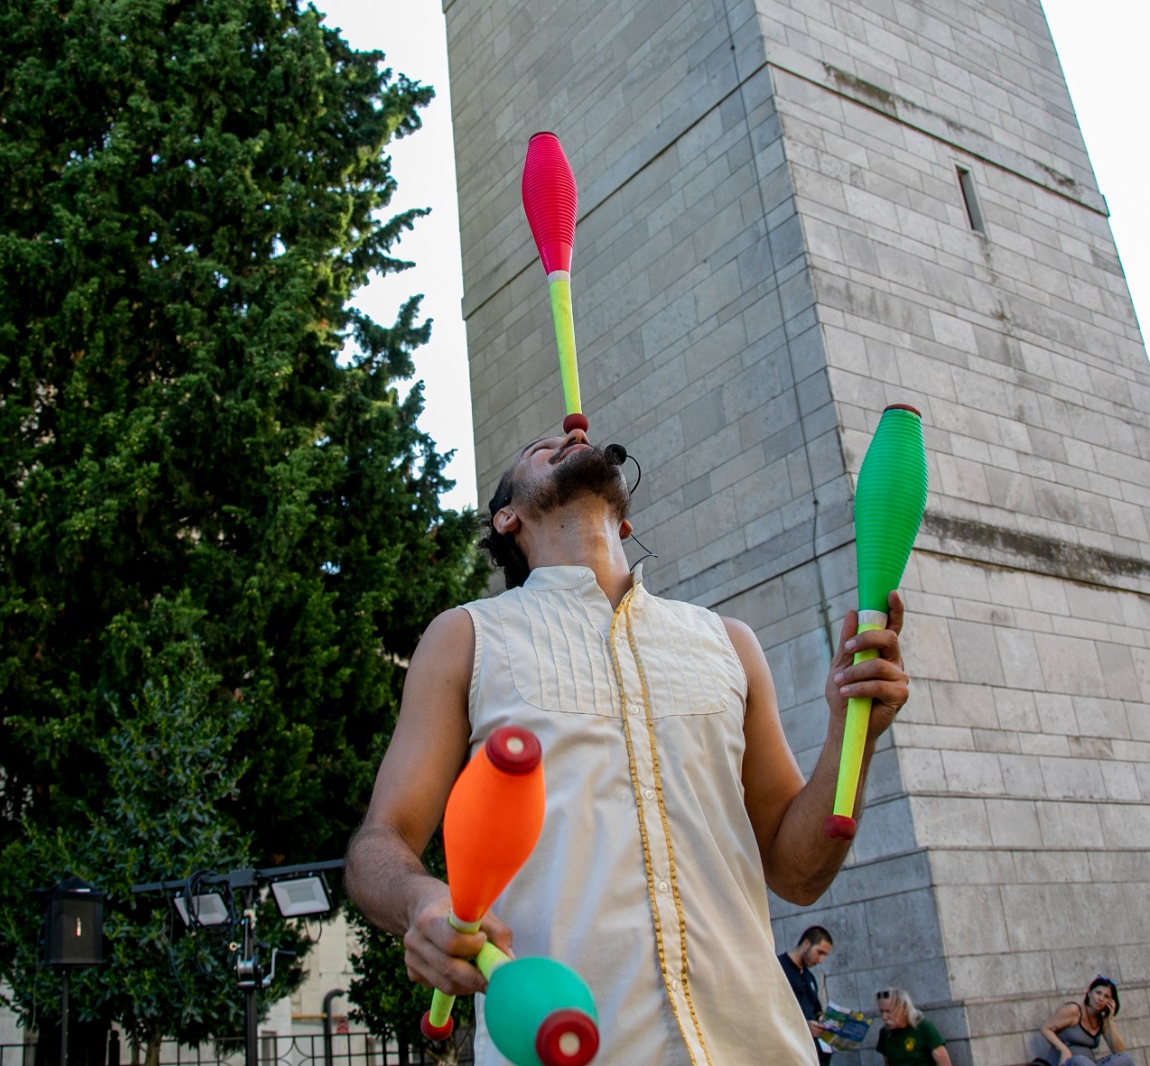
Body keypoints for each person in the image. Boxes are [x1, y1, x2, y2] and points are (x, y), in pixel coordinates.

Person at [344, 427, 912, 1065]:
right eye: (538, 447)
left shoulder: (730, 642)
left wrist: (852, 731)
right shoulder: (466, 637)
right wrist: (424, 901)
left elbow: (798, 874)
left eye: (583, 440)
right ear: (507, 517)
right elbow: (379, 843)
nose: (573, 433)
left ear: (626, 519)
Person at [1035, 976, 1134, 1066]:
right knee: (1079, 1060)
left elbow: (1119, 1051)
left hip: (1090, 1064)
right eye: (1098, 993)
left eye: (1106, 997)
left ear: (1110, 1002)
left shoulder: (1102, 1021)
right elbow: (1045, 1028)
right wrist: (1064, 1050)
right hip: (1067, 1063)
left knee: (1126, 1058)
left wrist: (1110, 1020)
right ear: (1089, 993)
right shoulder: (1074, 1011)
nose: (1101, 999)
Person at [780, 926, 836, 1063]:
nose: (821, 959)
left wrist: (823, 1019)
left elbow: (816, 1009)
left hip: (816, 1054)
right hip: (792, 1052)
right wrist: (803, 1026)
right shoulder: (779, 969)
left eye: (825, 955)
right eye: (819, 952)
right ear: (806, 944)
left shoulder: (809, 976)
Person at [875, 988, 950, 1066]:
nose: (884, 1017)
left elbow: (943, 1061)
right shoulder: (885, 1033)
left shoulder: (924, 1027)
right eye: (881, 1011)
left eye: (888, 1011)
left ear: (903, 1007)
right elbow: (887, 1062)